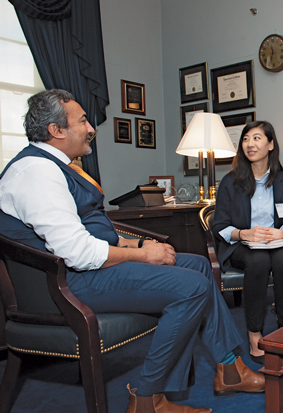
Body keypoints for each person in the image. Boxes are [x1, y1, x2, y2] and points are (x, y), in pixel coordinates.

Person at [0, 89, 265, 413]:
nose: (91, 128)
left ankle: (229, 368)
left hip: (85, 269)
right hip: (64, 284)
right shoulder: (35, 173)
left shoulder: (56, 167)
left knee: (196, 265)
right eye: (83, 120)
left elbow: (84, 231)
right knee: (192, 287)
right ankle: (146, 397)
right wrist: (142, 255)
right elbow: (76, 252)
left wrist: (137, 244)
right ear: (56, 131)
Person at [212, 120, 283, 365]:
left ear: (271, 144)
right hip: (244, 245)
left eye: (256, 138)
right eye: (245, 139)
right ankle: (255, 334)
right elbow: (219, 225)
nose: (250, 144)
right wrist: (244, 234)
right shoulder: (230, 182)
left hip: (276, 243)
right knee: (259, 260)